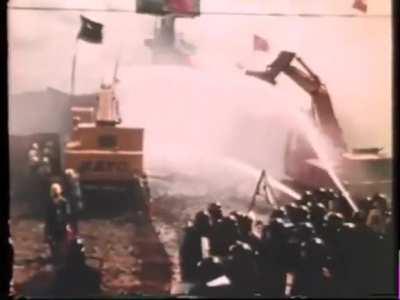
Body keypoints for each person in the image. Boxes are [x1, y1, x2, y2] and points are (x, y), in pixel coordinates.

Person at [44, 183, 72, 266]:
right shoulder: (63, 202)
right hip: (58, 226)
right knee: (59, 244)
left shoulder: (53, 203)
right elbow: (67, 215)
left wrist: (46, 231)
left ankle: (58, 261)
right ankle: (60, 261)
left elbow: (48, 217)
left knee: (57, 244)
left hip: (57, 227)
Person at [64, 169, 83, 234]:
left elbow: (75, 194)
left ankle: (72, 232)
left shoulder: (72, 183)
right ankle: (73, 232)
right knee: (73, 219)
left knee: (72, 218)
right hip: (73, 202)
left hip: (73, 202)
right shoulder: (74, 182)